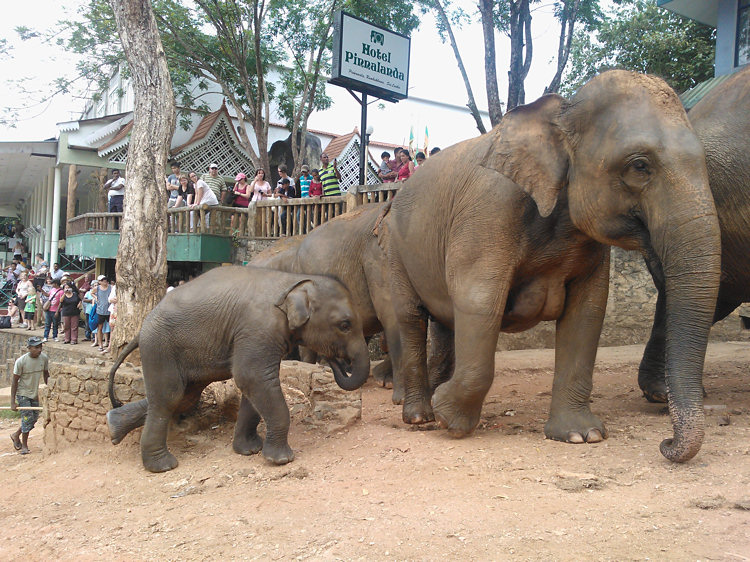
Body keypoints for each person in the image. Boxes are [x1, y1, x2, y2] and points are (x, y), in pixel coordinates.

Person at [9, 336, 49, 455]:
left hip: (34, 393)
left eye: (40, 347)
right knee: (27, 419)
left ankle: (16, 435)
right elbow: (14, 381)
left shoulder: (44, 359)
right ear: (29, 348)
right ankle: (24, 446)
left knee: (34, 419)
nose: (39, 349)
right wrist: (12, 401)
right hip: (23, 394)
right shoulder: (21, 361)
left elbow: (46, 375)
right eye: (36, 347)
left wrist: (50, 388)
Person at [92, 275, 112, 352]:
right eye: (102, 281)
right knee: (100, 327)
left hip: (109, 310)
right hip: (100, 310)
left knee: (111, 328)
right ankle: (100, 345)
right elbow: (92, 292)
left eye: (105, 280)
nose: (104, 282)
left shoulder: (111, 287)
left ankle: (109, 344)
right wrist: (96, 298)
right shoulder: (97, 288)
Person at [43, 278, 63, 343]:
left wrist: (57, 311)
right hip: (49, 309)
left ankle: (55, 336)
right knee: (47, 324)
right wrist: (41, 290)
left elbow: (60, 302)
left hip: (55, 310)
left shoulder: (61, 291)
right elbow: (48, 295)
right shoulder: (52, 289)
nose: (51, 285)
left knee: (55, 324)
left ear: (56, 284)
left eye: (53, 283)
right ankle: (45, 336)